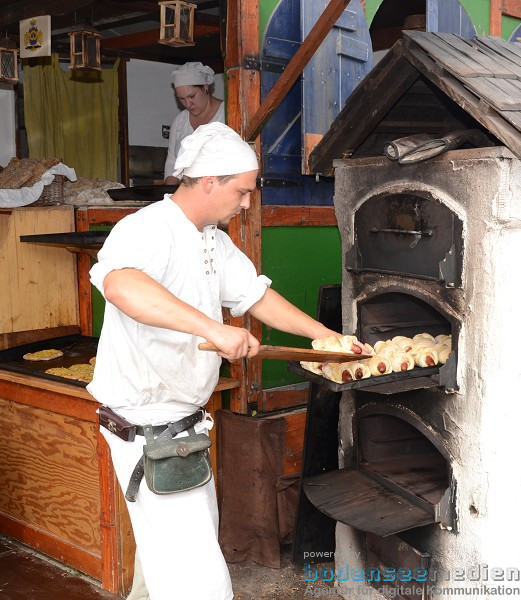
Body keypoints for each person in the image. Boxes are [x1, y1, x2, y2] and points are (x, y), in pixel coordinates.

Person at [88, 122, 343, 600]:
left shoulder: (213, 240)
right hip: (148, 427)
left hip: (183, 425)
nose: (247, 203)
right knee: (200, 580)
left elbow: (255, 297)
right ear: (209, 182)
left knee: (167, 561)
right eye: (242, 191)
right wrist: (211, 328)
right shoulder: (147, 229)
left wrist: (324, 337)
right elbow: (121, 286)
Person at [163, 62, 225, 185]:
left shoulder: (227, 115)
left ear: (205, 87)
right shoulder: (180, 121)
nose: (187, 104)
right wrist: (169, 194)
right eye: (181, 98)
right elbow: (172, 163)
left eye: (192, 96)